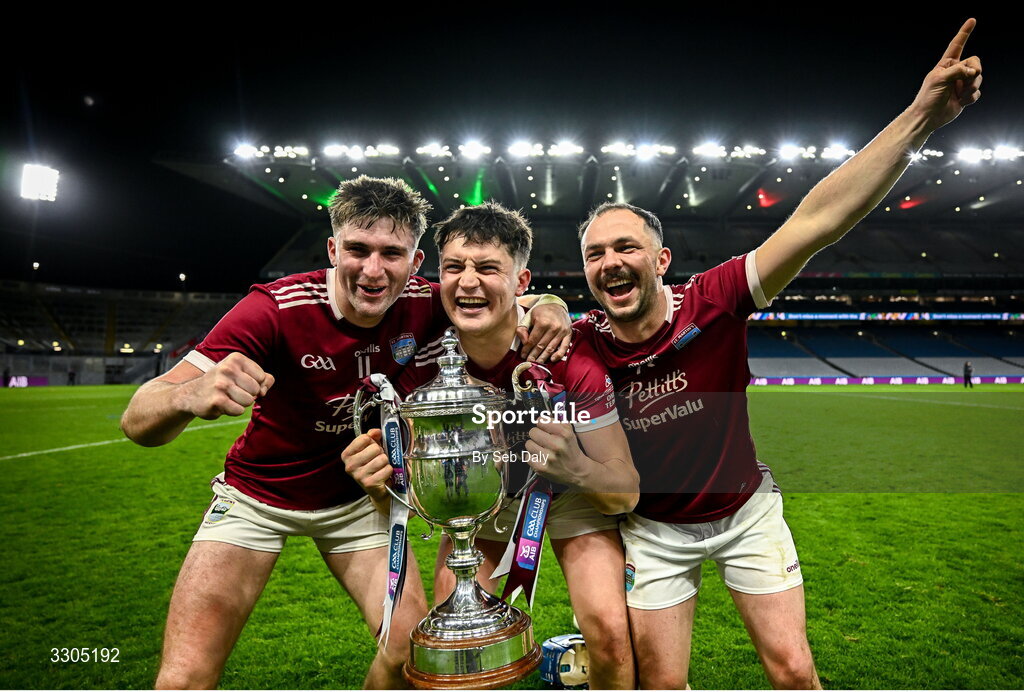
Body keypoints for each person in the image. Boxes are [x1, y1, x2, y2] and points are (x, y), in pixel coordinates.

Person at [573, 20, 982, 690]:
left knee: (793, 671)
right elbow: (508, 308)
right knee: (662, 685)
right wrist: (549, 307)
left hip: (744, 513)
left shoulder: (716, 299)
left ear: (661, 261)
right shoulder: (583, 341)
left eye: (625, 248)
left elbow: (819, 220)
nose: (611, 262)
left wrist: (921, 118)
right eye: (595, 253)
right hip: (655, 532)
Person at [119, 176, 572, 689]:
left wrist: (549, 304)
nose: (373, 270)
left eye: (392, 254)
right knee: (186, 674)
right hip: (257, 497)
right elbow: (137, 422)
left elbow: (510, 296)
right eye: (358, 249)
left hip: (359, 501)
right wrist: (186, 396)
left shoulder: (430, 303)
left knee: (408, 651)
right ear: (334, 249)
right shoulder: (275, 308)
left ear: (415, 263)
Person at [343, 202, 639, 688]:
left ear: (521, 283)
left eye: (487, 268)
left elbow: (624, 492)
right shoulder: (419, 363)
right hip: (482, 504)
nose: (468, 282)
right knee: (447, 640)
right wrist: (378, 481)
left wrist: (576, 468)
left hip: (571, 499)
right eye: (455, 267)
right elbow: (410, 491)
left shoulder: (566, 360)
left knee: (608, 633)